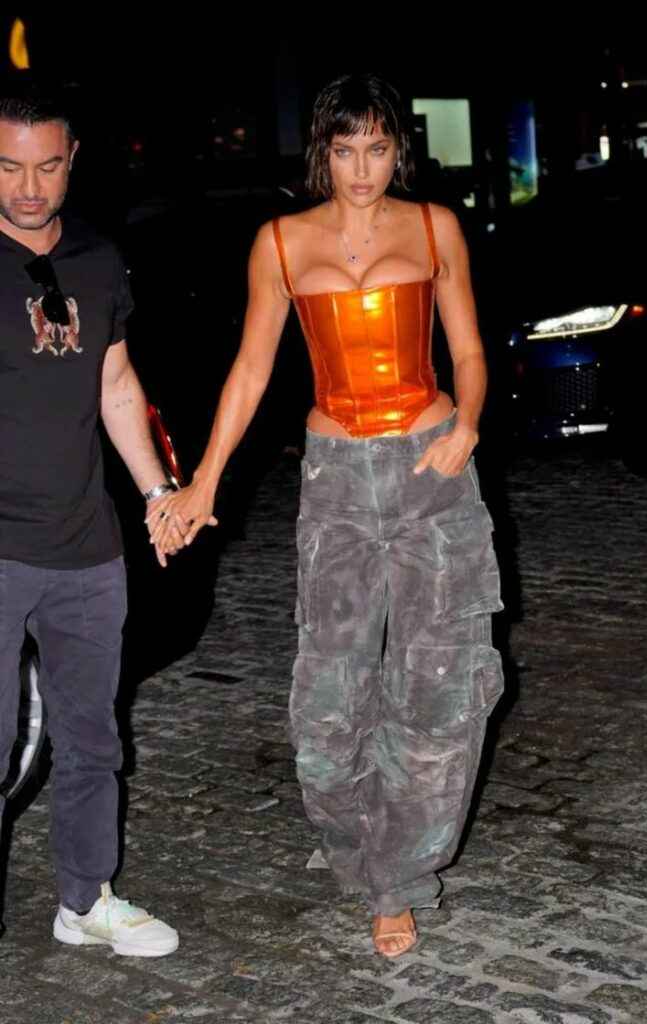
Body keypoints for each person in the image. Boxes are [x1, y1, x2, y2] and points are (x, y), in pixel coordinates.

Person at [153, 72, 504, 958]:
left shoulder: (434, 227)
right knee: (327, 703)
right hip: (338, 481)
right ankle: (359, 850)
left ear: (397, 149)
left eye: (377, 149)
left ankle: (399, 882)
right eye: (345, 150)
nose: (361, 169)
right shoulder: (280, 242)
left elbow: (467, 348)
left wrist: (466, 423)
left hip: (429, 469)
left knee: (437, 687)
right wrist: (203, 481)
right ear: (323, 152)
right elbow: (250, 370)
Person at [0, 81, 180, 957]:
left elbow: (115, 384)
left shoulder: (100, 260)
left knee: (90, 738)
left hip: (86, 547)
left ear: (72, 161)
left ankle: (85, 899)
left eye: (45, 166)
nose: (28, 186)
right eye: (7, 167)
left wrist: (156, 493)